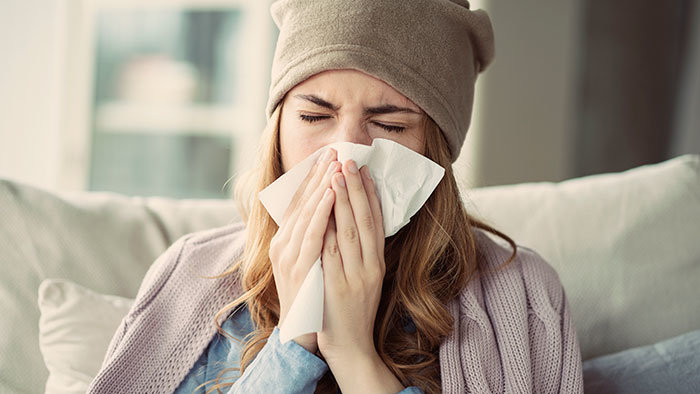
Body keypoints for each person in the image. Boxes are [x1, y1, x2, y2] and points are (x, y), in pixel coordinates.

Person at [88, 0, 584, 393]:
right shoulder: (188, 274)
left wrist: (352, 353)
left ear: (438, 153)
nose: (346, 156)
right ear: (278, 127)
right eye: (314, 116)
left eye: (389, 124)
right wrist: (294, 341)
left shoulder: (526, 298)